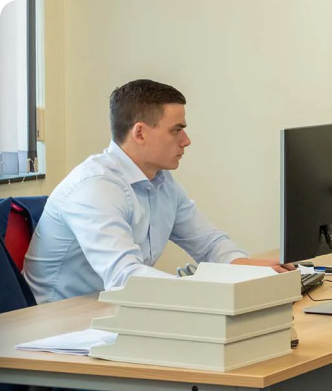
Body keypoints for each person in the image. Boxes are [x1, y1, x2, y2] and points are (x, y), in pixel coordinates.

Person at [23, 79, 293, 303]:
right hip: (57, 328)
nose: (186, 141)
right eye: (177, 130)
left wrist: (252, 271)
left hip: (112, 313)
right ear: (139, 133)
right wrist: (208, 291)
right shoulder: (95, 188)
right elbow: (124, 278)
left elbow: (211, 245)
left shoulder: (161, 182)